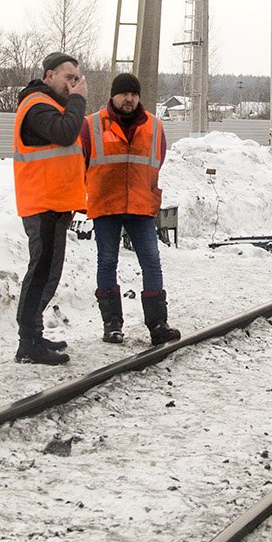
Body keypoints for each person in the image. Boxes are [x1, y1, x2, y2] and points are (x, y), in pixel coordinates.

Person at [84, 73, 181, 346]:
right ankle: (112, 324)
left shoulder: (154, 125)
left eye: (134, 94)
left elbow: (157, 160)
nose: (129, 99)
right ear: (113, 96)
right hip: (106, 204)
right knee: (107, 261)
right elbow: (81, 162)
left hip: (140, 204)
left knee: (151, 261)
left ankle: (158, 324)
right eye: (124, 93)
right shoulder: (91, 125)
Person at [13, 52, 89, 365]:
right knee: (41, 272)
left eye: (76, 79)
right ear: (49, 76)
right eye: (68, 77)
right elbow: (65, 133)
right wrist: (79, 100)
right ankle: (27, 343)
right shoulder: (35, 105)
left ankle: (34, 334)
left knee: (49, 273)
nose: (73, 84)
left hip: (55, 205)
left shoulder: (53, 106)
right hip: (41, 204)